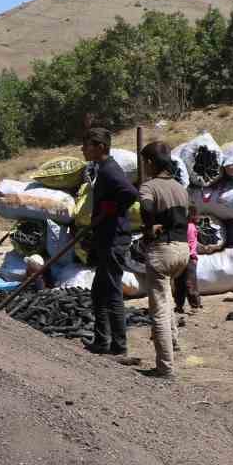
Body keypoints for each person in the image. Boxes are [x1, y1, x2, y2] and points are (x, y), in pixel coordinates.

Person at [135, 142, 192, 379]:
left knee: (158, 307)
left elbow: (146, 209)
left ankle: (165, 367)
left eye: (144, 162)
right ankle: (174, 342)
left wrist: (149, 226)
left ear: (149, 162)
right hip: (182, 250)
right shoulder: (180, 187)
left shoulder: (149, 186)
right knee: (167, 295)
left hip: (162, 250)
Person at [81, 128, 139, 358]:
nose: (83, 150)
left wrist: (112, 209)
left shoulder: (110, 170)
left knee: (112, 290)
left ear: (100, 147)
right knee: (98, 291)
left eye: (87, 145)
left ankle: (119, 346)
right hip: (106, 237)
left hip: (114, 238)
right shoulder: (102, 169)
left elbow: (130, 193)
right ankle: (102, 340)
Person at [171, 206, 203, 312]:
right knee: (180, 283)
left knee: (189, 283)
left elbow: (186, 244)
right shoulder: (187, 226)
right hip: (183, 257)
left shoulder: (189, 227)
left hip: (188, 258)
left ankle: (194, 305)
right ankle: (180, 305)